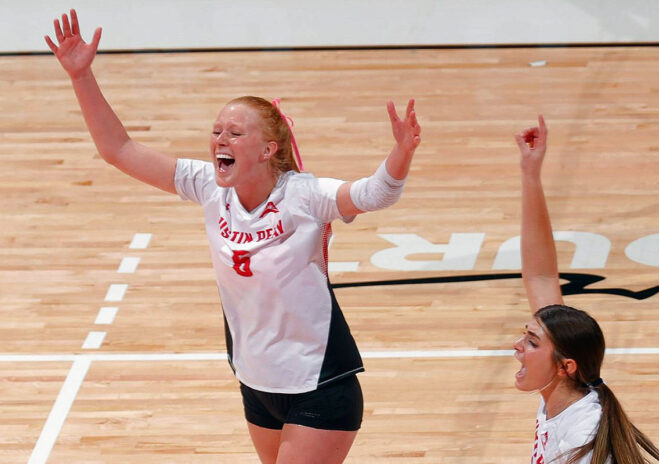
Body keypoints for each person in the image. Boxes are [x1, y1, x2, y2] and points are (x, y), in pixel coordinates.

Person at [45, 10, 421, 464]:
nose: (220, 138)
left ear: (267, 150)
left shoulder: (303, 196)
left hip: (319, 386)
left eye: (235, 132)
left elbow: (373, 193)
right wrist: (81, 76)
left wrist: (401, 153)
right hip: (256, 382)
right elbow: (119, 150)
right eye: (217, 130)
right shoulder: (208, 185)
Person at [513, 115, 659, 464]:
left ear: (564, 366)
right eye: (527, 336)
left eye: (531, 342)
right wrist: (530, 175)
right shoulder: (566, 394)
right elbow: (540, 276)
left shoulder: (583, 435)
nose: (517, 346)